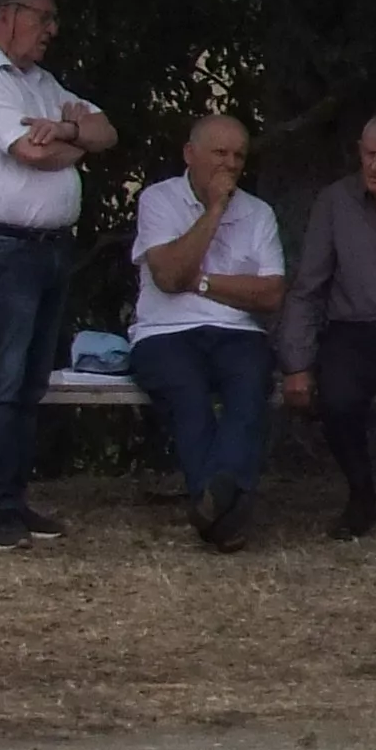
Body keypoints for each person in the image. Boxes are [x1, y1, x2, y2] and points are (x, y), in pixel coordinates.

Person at [0, 0, 114, 551]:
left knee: (31, 381)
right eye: (43, 17)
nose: (51, 29)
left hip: (50, 248)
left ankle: (13, 498)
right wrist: (75, 143)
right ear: (7, 16)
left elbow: (106, 131)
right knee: (2, 379)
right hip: (1, 248)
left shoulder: (42, 83)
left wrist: (67, 129)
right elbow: (31, 153)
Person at [125, 116, 289, 550]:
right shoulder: (158, 200)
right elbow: (168, 276)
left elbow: (271, 293)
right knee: (187, 397)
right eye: (220, 153)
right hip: (164, 332)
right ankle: (223, 512)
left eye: (238, 156)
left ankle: (214, 504)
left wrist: (200, 283)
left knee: (250, 388)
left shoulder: (258, 213)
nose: (230, 164)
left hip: (237, 332)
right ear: (190, 154)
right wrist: (215, 210)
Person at [277, 112, 376, 539]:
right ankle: (361, 497)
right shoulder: (335, 202)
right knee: (336, 399)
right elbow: (308, 287)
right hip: (354, 328)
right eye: (368, 154)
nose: (374, 166)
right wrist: (296, 363)